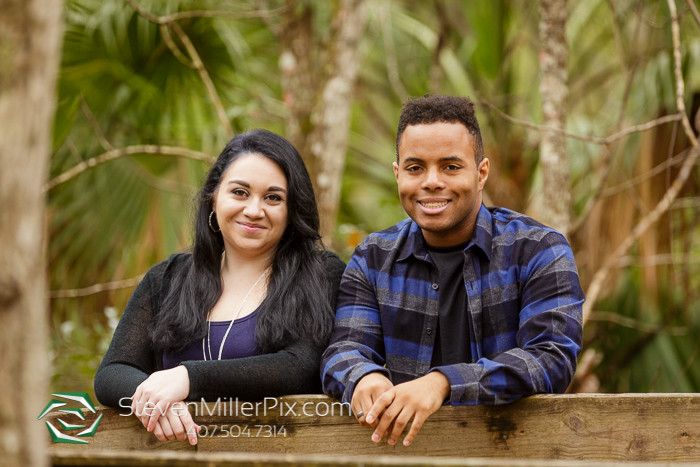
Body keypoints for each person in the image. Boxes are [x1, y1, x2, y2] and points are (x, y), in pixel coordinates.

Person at [321, 95, 584, 448]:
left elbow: (550, 358)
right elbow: (343, 349)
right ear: (398, 174)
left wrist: (442, 382)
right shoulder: (373, 258)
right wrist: (363, 377)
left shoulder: (539, 249)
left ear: (481, 173)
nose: (431, 181)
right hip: (401, 457)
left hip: (510, 452)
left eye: (450, 167)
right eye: (415, 168)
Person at [95, 129, 345, 446]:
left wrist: (187, 378)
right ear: (213, 197)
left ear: (292, 210)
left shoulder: (321, 274)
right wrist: (155, 401)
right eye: (240, 192)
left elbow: (301, 366)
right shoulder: (168, 279)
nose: (254, 210)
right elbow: (113, 372)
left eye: (273, 197)